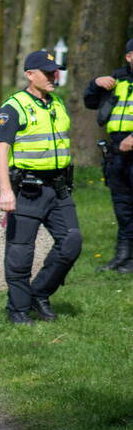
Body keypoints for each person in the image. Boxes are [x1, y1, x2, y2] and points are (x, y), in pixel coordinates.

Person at [0, 50, 82, 324]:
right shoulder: (14, 106)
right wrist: (6, 190)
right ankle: (18, 310)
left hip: (58, 189)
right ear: (30, 75)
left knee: (71, 243)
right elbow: (0, 149)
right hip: (27, 190)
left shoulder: (57, 103)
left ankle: (39, 293)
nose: (54, 76)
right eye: (47, 72)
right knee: (21, 254)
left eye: (55, 71)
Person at [82, 38, 133, 272]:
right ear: (128, 57)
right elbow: (90, 102)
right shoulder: (117, 80)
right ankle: (123, 258)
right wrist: (95, 83)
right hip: (116, 152)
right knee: (122, 207)